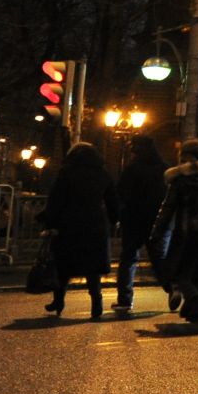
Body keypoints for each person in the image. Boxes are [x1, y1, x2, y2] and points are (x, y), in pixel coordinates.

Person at [40, 142, 117, 319]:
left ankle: (58, 301)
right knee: (93, 268)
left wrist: (50, 223)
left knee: (64, 265)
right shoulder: (102, 173)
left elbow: (56, 200)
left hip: (70, 224)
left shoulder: (67, 173)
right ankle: (96, 303)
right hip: (95, 224)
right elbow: (112, 199)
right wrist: (114, 219)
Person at [156, 139, 198, 322]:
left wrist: (158, 230)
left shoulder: (179, 178)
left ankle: (194, 298)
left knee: (177, 272)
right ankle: (197, 309)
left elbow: (168, 207)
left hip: (186, 230)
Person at [113, 135, 167, 315]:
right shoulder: (163, 169)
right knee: (158, 258)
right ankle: (172, 289)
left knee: (128, 259)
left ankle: (125, 300)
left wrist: (119, 215)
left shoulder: (132, 169)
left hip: (134, 219)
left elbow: (121, 193)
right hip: (156, 220)